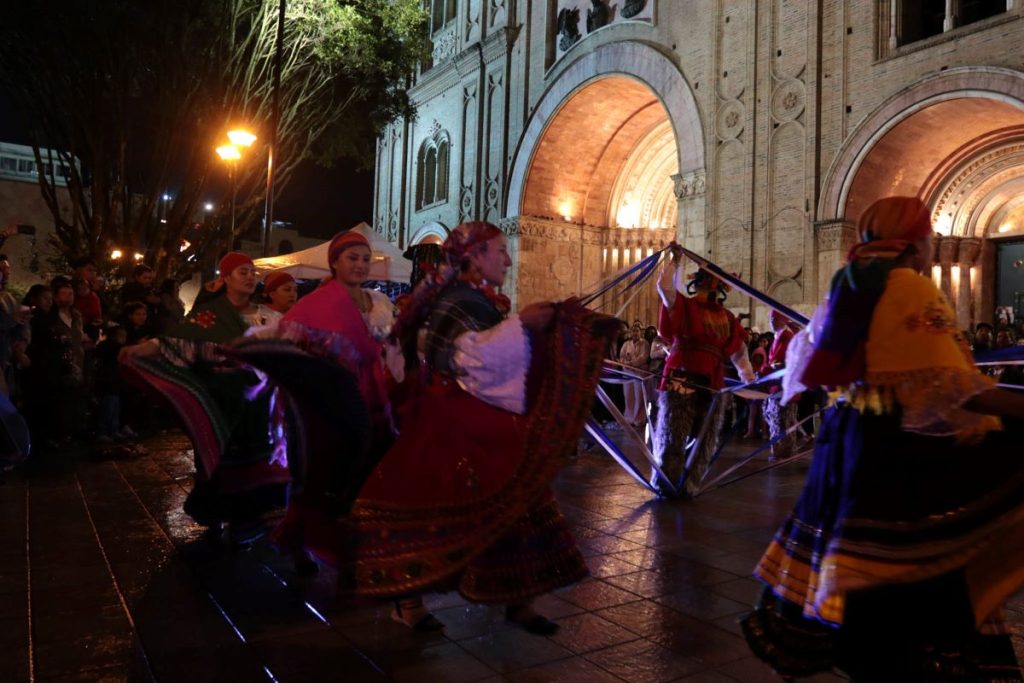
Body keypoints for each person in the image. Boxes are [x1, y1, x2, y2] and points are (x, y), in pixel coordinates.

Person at [742, 197, 1024, 682]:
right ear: (915, 241)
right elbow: (956, 387)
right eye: (928, 234)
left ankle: (847, 647)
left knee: (848, 559)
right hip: (896, 454)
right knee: (913, 567)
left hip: (845, 446)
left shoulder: (845, 286)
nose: (932, 243)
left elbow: (814, 365)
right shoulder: (909, 288)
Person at [336, 222, 615, 633]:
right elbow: (462, 358)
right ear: (474, 256)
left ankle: (517, 597)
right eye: (499, 250)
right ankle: (411, 601)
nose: (507, 258)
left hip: (478, 420)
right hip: (453, 425)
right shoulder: (458, 300)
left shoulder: (476, 298)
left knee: (517, 502)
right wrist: (521, 326)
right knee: (449, 506)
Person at [120, 252, 288, 542]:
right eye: (242, 272)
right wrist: (140, 350)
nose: (250, 277)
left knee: (260, 461)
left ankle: (251, 520)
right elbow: (176, 342)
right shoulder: (210, 316)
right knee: (222, 460)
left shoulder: (268, 316)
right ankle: (219, 513)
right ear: (225, 278)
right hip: (220, 401)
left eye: (252, 272)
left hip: (260, 402)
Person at [651, 245, 755, 498]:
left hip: (712, 382)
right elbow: (665, 289)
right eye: (706, 283)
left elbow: (739, 350)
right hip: (682, 376)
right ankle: (666, 481)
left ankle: (689, 482)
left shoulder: (727, 319)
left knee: (704, 437)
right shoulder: (686, 307)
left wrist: (748, 378)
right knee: (673, 432)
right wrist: (673, 261)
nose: (709, 289)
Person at [761, 310, 798, 460]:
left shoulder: (786, 336)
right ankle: (781, 451)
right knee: (779, 420)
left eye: (775, 319)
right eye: (770, 319)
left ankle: (782, 452)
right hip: (779, 386)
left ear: (783, 320)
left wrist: (767, 369)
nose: (772, 321)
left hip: (783, 387)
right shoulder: (780, 336)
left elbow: (784, 363)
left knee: (782, 420)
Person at [619, 323, 650, 427]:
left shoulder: (645, 343)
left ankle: (639, 419)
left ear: (640, 332)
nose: (635, 333)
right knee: (628, 395)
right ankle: (629, 418)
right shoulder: (626, 344)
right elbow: (621, 356)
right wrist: (625, 363)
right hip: (627, 373)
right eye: (633, 331)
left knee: (639, 396)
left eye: (637, 331)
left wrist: (632, 363)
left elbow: (643, 357)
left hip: (639, 373)